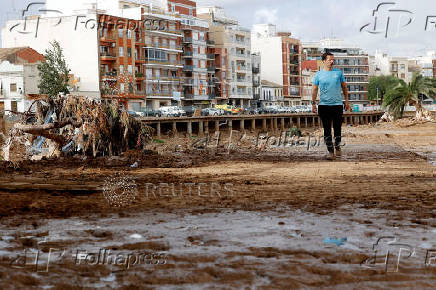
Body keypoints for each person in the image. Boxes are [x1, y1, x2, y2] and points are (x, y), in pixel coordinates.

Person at [312, 52, 350, 160]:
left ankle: (337, 145)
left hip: (337, 105)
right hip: (324, 105)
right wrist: (313, 103)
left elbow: (344, 88)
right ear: (324, 61)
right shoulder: (318, 74)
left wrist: (347, 101)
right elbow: (314, 89)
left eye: (333, 60)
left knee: (337, 128)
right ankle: (330, 151)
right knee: (327, 129)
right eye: (330, 60)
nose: (332, 61)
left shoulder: (338, 73)